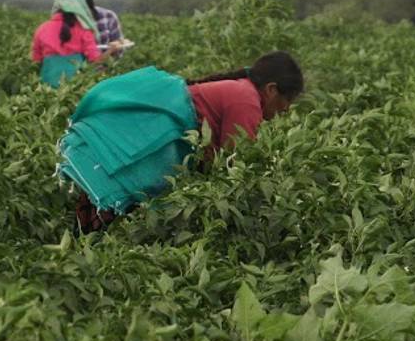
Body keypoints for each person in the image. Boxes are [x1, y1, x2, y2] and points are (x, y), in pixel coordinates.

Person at [61, 51, 303, 233]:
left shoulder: (241, 91)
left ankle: (84, 238)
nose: (287, 109)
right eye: (288, 100)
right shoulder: (247, 100)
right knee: (127, 186)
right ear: (271, 90)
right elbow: (235, 166)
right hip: (164, 133)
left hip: (162, 128)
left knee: (117, 188)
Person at [31, 0, 119, 86]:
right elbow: (96, 61)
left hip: (47, 89)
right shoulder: (83, 30)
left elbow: (36, 60)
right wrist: (112, 50)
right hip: (74, 88)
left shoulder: (42, 29)